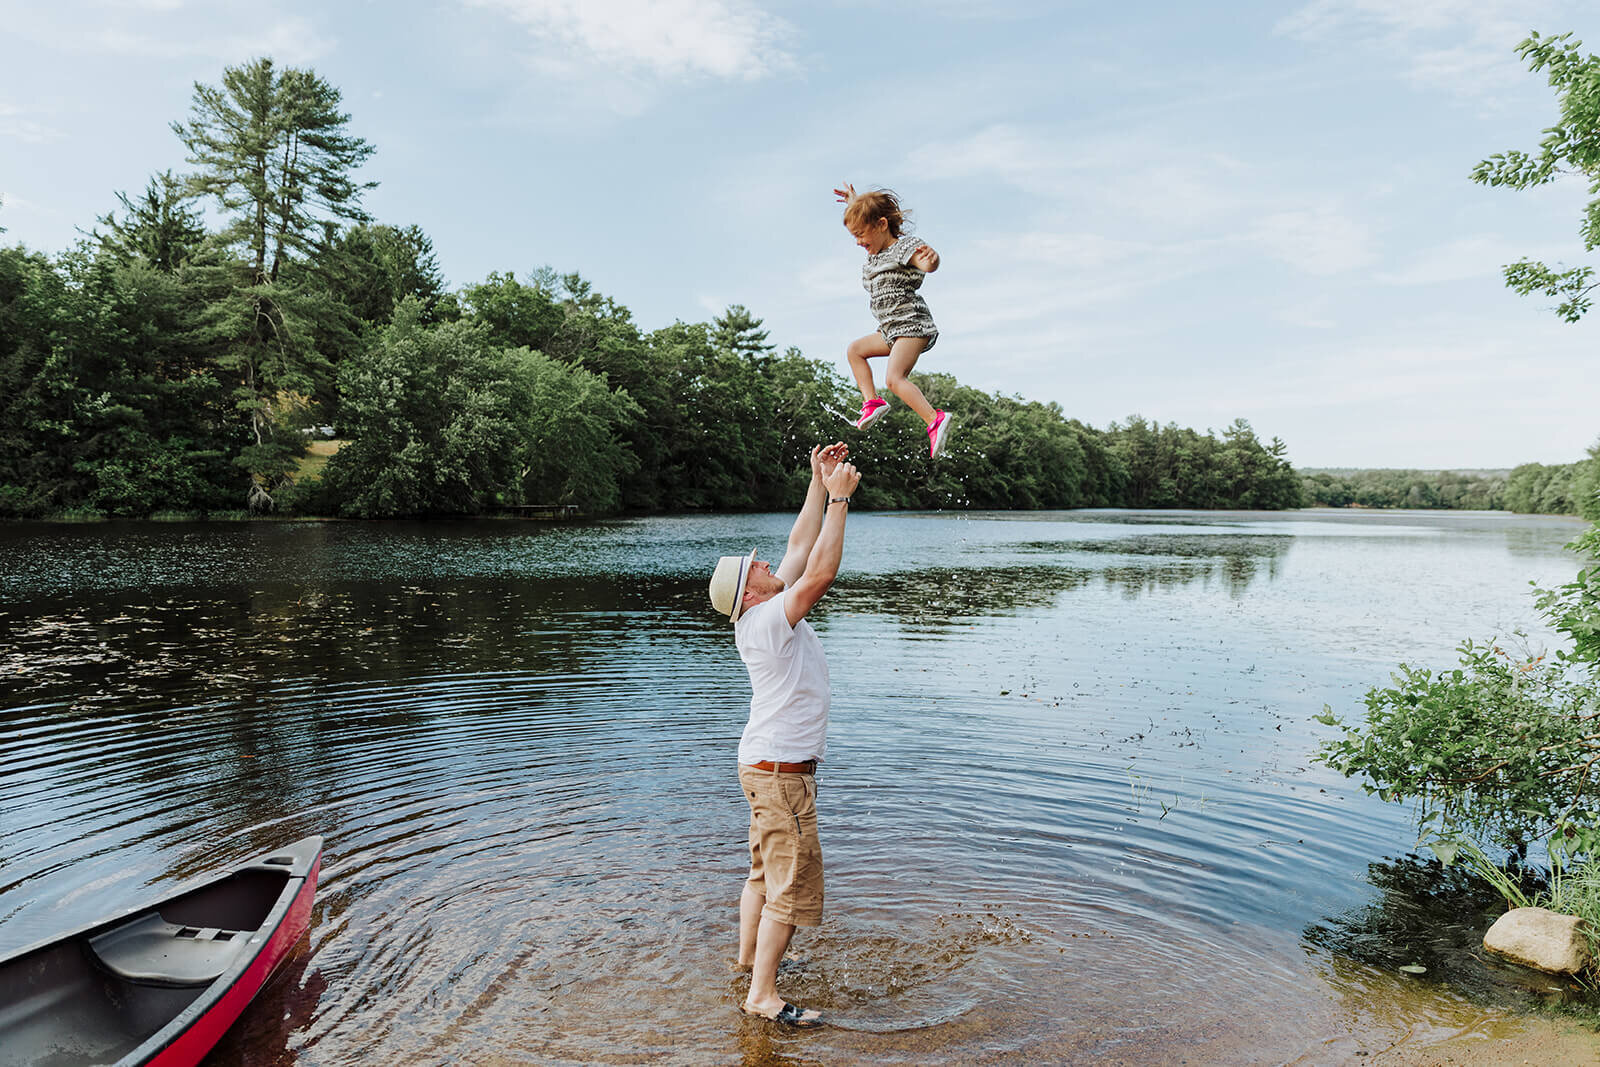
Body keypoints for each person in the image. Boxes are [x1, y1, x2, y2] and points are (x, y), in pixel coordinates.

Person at [707, 441, 861, 1028]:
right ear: (750, 592)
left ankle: (749, 962)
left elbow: (799, 547)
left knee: (761, 874)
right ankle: (763, 996)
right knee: (791, 887)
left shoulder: (758, 612)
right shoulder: (772, 617)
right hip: (782, 776)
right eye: (760, 570)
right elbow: (820, 569)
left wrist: (818, 485)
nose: (770, 566)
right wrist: (842, 503)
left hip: (761, 768)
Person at [834, 181, 954, 458]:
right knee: (855, 350)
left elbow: (926, 264)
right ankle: (872, 402)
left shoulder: (904, 248)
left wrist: (931, 261)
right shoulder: (874, 258)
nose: (858, 241)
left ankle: (934, 419)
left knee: (894, 378)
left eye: (861, 234)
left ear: (882, 225)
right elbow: (866, 213)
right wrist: (855, 203)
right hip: (890, 330)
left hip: (911, 325)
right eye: (854, 236)